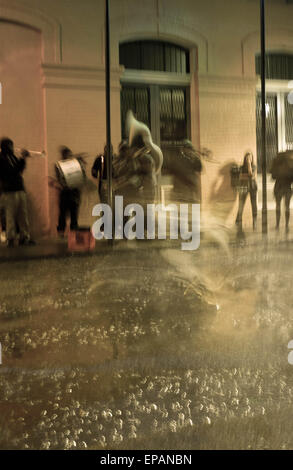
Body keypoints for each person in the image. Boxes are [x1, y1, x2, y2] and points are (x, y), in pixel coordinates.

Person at [0, 138, 34, 247]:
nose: (12, 148)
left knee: (23, 215)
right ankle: (10, 238)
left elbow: (19, 170)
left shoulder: (12, 157)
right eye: (9, 145)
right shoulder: (1, 159)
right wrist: (22, 158)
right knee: (10, 216)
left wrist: (22, 160)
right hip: (9, 191)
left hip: (19, 189)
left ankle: (24, 237)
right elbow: (12, 172)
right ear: (4, 146)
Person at [55, 146, 81, 236]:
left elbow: (80, 178)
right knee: (63, 214)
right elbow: (60, 178)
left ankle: (72, 234)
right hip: (66, 192)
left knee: (73, 215)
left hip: (73, 192)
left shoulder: (74, 164)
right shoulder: (59, 165)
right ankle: (61, 233)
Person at [236, 151, 258, 233]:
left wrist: (249, 166)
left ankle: (254, 221)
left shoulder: (254, 166)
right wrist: (247, 176)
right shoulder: (241, 167)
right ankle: (238, 220)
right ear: (244, 159)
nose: (248, 159)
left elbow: (251, 175)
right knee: (241, 204)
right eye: (247, 158)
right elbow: (240, 177)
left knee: (254, 204)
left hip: (252, 187)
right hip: (243, 187)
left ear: (252, 159)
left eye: (250, 158)